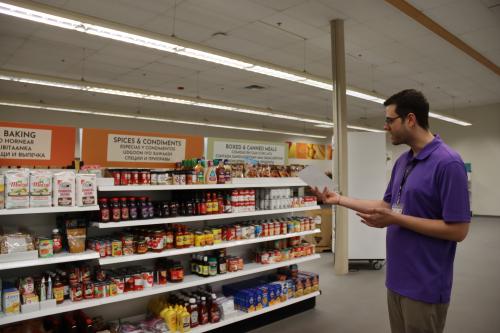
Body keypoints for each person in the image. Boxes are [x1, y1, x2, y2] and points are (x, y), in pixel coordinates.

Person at [313, 89, 470, 333]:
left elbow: (459, 230)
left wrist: (396, 219)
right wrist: (340, 199)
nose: (385, 127)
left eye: (389, 120)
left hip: (425, 286)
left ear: (410, 119)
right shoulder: (403, 161)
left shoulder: (448, 163)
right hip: (396, 280)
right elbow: (387, 206)